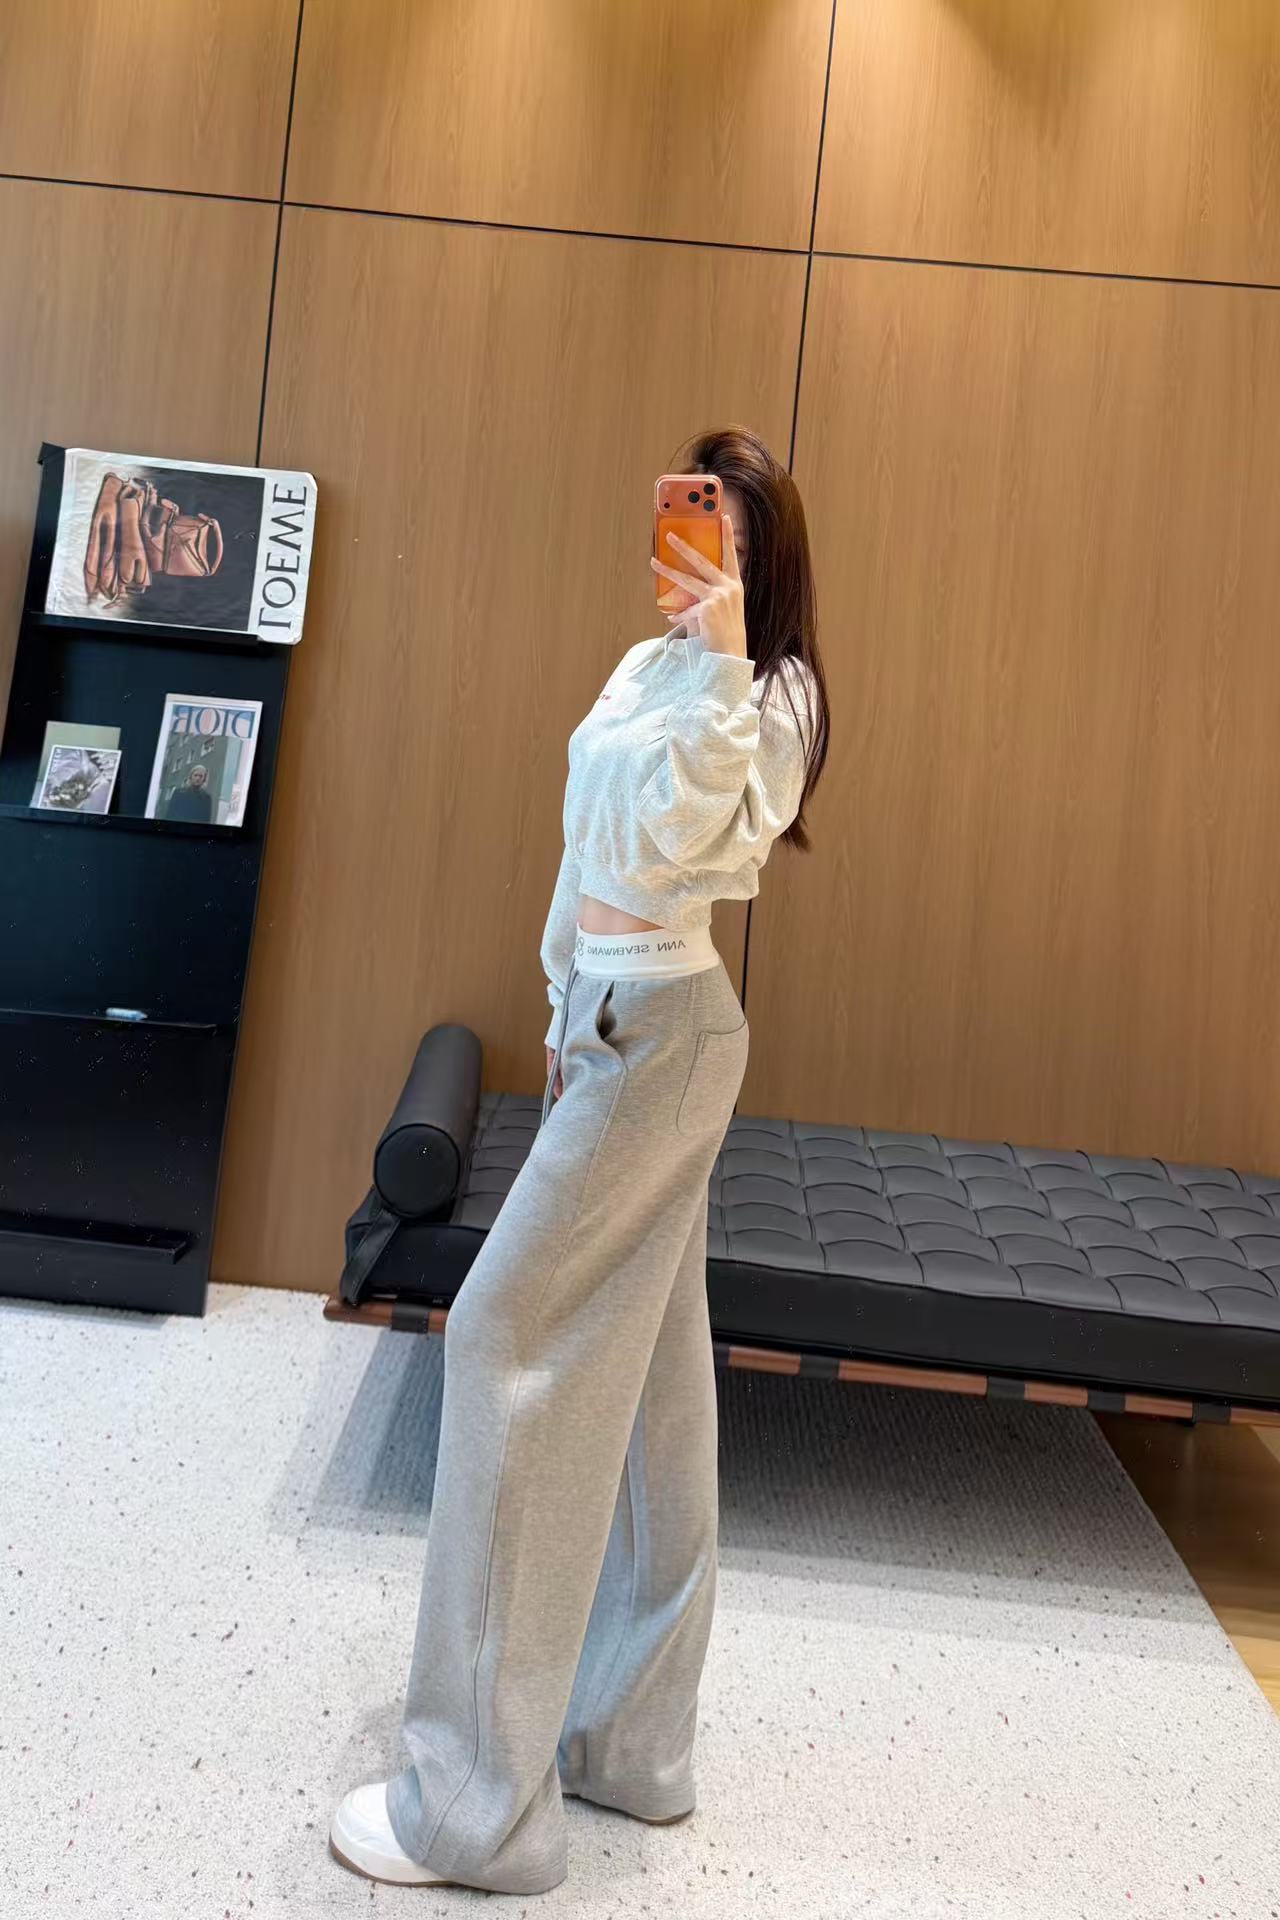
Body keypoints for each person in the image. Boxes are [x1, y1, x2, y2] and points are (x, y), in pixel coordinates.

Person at [330, 425, 831, 1895]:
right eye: (686, 522)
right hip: (607, 1031)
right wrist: (557, 1004)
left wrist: (726, 660)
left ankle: (474, 1812)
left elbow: (680, 844)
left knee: (501, 1340)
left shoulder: (773, 693)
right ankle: (631, 1746)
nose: (693, 556)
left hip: (671, 1032)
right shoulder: (644, 664)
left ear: (763, 558)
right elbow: (584, 842)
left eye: (724, 534)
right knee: (662, 1403)